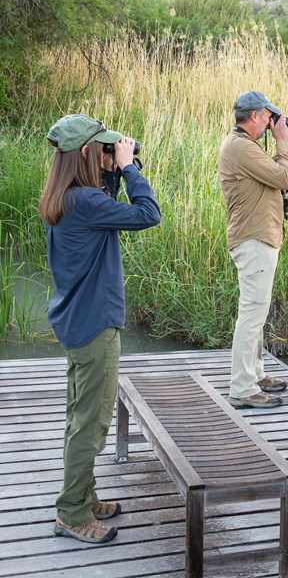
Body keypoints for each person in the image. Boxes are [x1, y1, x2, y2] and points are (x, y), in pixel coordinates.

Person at [39, 114, 161, 544]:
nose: (114, 153)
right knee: (91, 426)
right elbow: (148, 214)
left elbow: (104, 209)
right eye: (106, 149)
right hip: (95, 328)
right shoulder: (87, 203)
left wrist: (111, 172)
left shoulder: (66, 196)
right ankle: (72, 513)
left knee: (79, 418)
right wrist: (129, 168)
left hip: (75, 322)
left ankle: (85, 497)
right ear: (88, 153)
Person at [218, 91, 288, 408]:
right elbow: (284, 178)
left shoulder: (243, 146)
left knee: (256, 312)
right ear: (255, 115)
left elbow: (267, 176)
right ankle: (243, 388)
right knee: (252, 315)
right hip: (254, 240)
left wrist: (287, 147)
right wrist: (282, 144)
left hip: (258, 238)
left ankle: (255, 375)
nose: (273, 123)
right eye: (270, 116)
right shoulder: (241, 146)